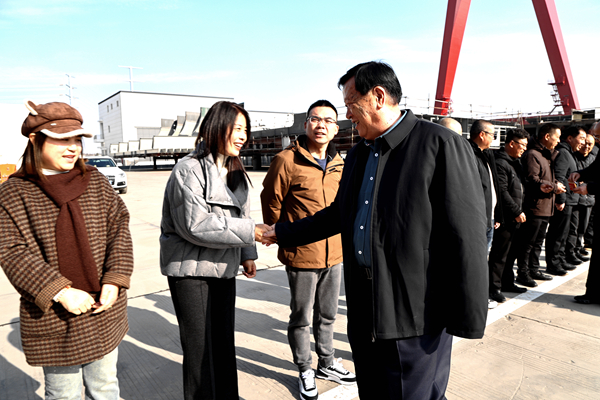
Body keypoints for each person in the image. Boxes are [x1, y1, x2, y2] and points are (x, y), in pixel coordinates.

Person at [264, 61, 488, 400]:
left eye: (351, 104)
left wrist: (468, 316)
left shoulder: (439, 143)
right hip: (365, 306)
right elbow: (338, 215)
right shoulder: (358, 154)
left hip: (415, 314)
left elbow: (466, 234)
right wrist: (280, 233)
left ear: (378, 96)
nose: (346, 115)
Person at [0, 100, 134, 399]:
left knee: (106, 388)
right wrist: (60, 291)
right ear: (35, 139)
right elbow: (11, 251)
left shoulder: (95, 182)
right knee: (63, 395)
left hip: (102, 308)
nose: (73, 147)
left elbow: (119, 229)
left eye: (77, 139)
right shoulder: (14, 192)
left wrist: (115, 278)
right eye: (62, 139)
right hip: (53, 315)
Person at [160, 101, 269, 399]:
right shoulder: (188, 169)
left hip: (223, 267)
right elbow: (196, 224)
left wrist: (247, 254)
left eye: (246, 130)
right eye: (237, 129)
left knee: (222, 343)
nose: (243, 136)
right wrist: (252, 233)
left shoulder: (235, 169)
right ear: (216, 127)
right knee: (200, 351)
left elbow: (242, 214)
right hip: (191, 271)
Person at [261, 100, 355, 400]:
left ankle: (326, 363)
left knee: (328, 314)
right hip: (301, 254)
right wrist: (280, 236)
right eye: (315, 119)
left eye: (328, 121)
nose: (321, 125)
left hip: (335, 253)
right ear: (305, 125)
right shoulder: (286, 160)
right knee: (301, 316)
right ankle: (304, 368)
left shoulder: (341, 163)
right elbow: (271, 201)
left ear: (336, 128)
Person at [511, 123, 566, 288]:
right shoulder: (532, 155)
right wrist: (554, 187)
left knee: (537, 242)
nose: (559, 141)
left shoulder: (547, 155)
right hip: (534, 206)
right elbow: (532, 179)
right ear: (547, 136)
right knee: (528, 242)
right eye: (557, 137)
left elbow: (546, 178)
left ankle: (533, 269)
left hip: (546, 206)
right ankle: (523, 272)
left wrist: (556, 187)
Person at [488, 129, 530, 303]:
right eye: (522, 145)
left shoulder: (515, 163)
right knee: (499, 255)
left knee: (511, 253)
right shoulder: (500, 163)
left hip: (516, 217)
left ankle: (507, 282)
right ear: (511, 143)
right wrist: (516, 211)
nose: (524, 149)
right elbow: (502, 192)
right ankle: (493, 288)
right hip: (506, 217)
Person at [544, 126, 587, 275]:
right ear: (570, 138)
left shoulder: (570, 153)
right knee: (558, 233)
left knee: (565, 233)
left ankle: (560, 259)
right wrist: (561, 199)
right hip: (565, 201)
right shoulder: (563, 153)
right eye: (581, 138)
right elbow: (559, 176)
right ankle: (553, 263)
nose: (583, 142)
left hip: (571, 199)